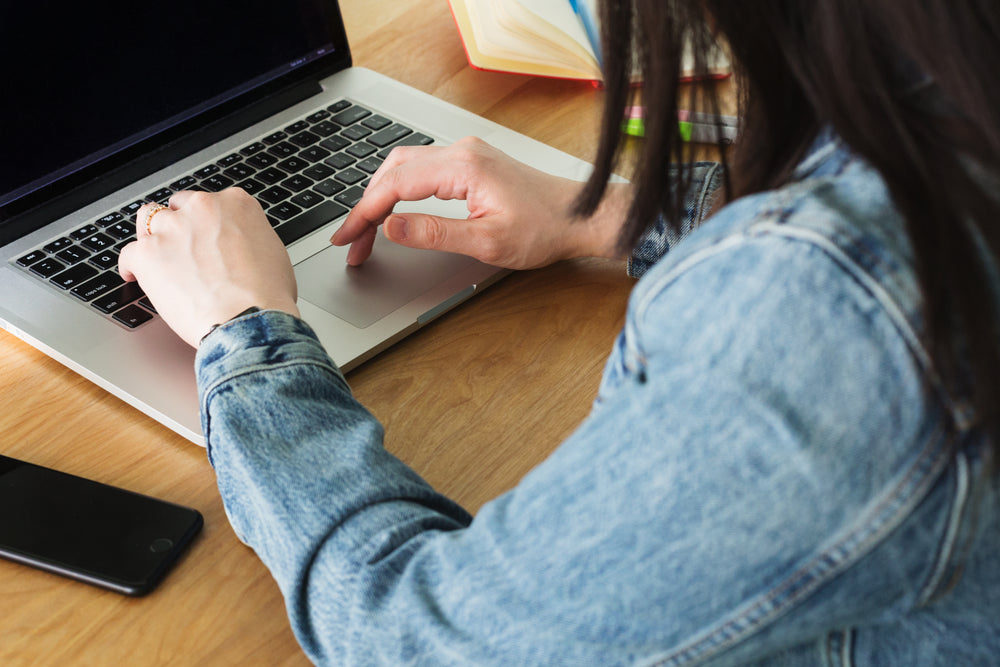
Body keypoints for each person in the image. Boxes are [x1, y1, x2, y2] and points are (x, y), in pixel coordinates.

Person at [119, 0, 1000, 664]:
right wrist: (610, 212)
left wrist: (245, 330)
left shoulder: (835, 319)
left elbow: (419, 636)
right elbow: (864, 176)